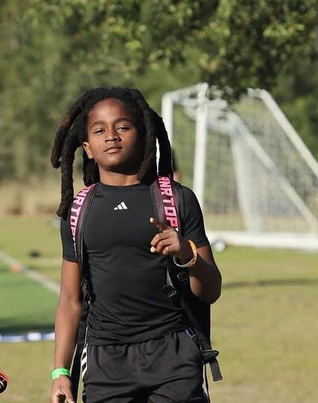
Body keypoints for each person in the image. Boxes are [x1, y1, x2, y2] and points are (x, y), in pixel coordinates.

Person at [48, 88, 222, 403]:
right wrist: (60, 373)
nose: (111, 136)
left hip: (174, 356)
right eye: (99, 130)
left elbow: (210, 291)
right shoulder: (78, 211)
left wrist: (187, 253)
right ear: (87, 147)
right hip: (105, 363)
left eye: (122, 127)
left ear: (142, 136)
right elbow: (71, 301)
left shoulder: (176, 200)